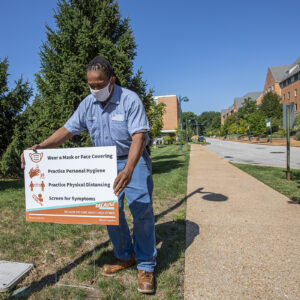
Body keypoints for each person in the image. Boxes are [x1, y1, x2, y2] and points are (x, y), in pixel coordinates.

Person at [21, 56, 156, 294]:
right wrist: (40, 147)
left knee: (141, 209)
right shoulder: (87, 104)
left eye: (100, 84)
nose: (95, 89)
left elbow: (139, 136)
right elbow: (67, 130)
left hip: (132, 159)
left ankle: (146, 265)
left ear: (112, 80)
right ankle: (125, 256)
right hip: (104, 162)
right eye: (91, 85)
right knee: (109, 212)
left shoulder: (129, 99)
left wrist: (129, 169)